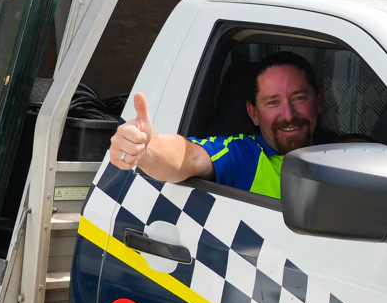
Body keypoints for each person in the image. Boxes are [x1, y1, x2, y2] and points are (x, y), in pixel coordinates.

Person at [108, 52, 325, 199]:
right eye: (273, 103)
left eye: (298, 98)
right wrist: (146, 150)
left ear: (319, 101)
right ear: (254, 113)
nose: (288, 115)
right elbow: (190, 157)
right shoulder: (244, 154)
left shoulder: (338, 151)